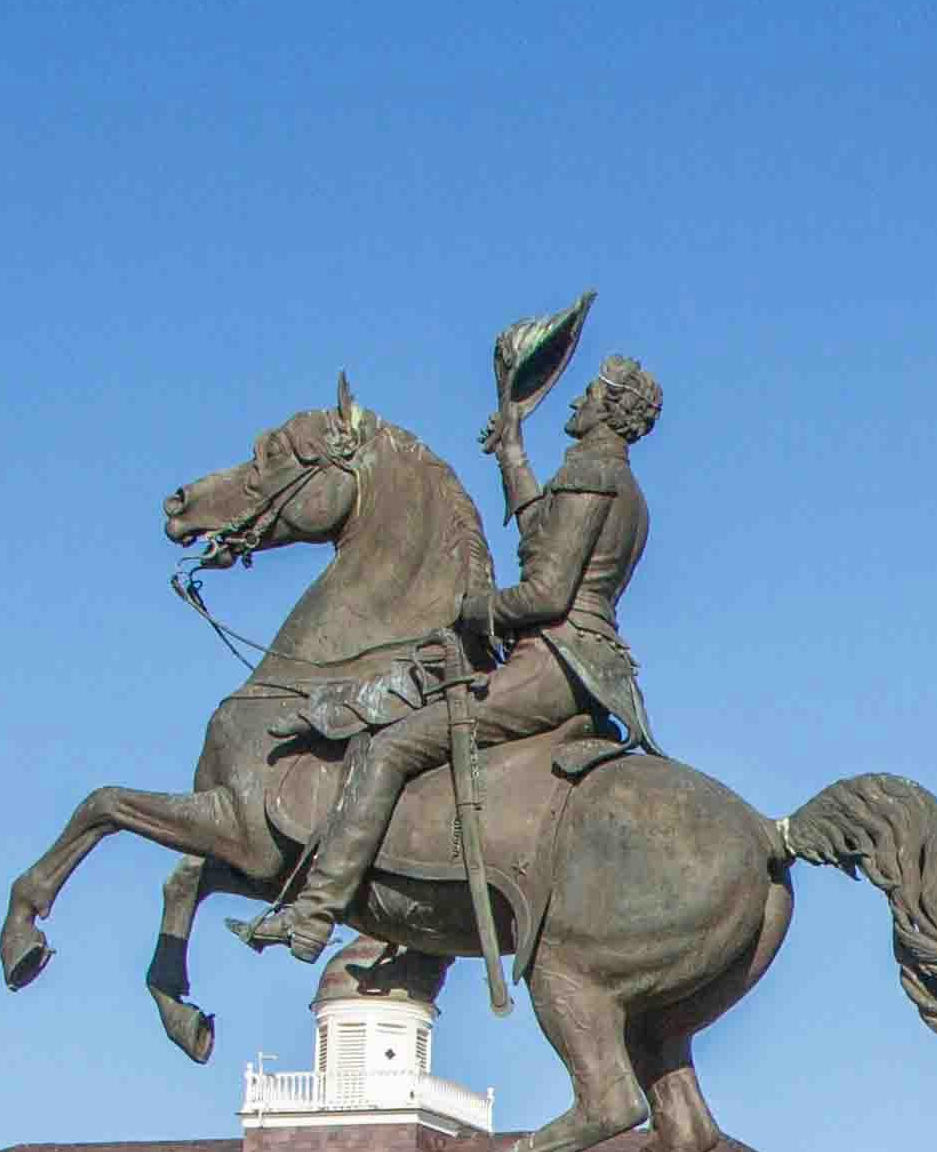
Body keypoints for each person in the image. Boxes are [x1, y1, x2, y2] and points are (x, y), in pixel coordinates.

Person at [244, 347, 663, 961]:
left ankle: (314, 913)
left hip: (554, 661)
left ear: (610, 410)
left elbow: (546, 593)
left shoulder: (590, 473)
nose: (577, 401)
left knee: (390, 747)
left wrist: (471, 610)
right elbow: (542, 534)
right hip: (588, 665)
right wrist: (512, 453)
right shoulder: (622, 487)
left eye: (590, 394)